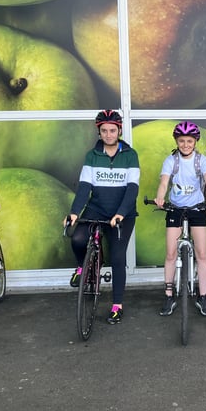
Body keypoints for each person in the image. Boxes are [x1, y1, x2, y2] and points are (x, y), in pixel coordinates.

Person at [64, 109, 139, 325]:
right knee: (77, 238)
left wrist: (121, 213)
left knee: (117, 257)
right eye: (104, 131)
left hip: (122, 213)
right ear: (99, 132)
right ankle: (82, 267)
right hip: (96, 209)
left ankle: (117, 305)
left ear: (119, 131)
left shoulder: (130, 155)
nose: (108, 135)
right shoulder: (92, 155)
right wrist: (75, 212)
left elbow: (132, 189)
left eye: (112, 130)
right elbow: (84, 187)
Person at [154, 121, 206, 317]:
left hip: (197, 208)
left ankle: (203, 296)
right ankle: (168, 295)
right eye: (181, 141)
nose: (185, 145)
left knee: (202, 254)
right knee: (171, 254)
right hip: (175, 208)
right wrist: (160, 197)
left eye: (189, 141)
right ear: (177, 141)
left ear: (195, 142)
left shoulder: (201, 160)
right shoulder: (171, 160)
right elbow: (164, 182)